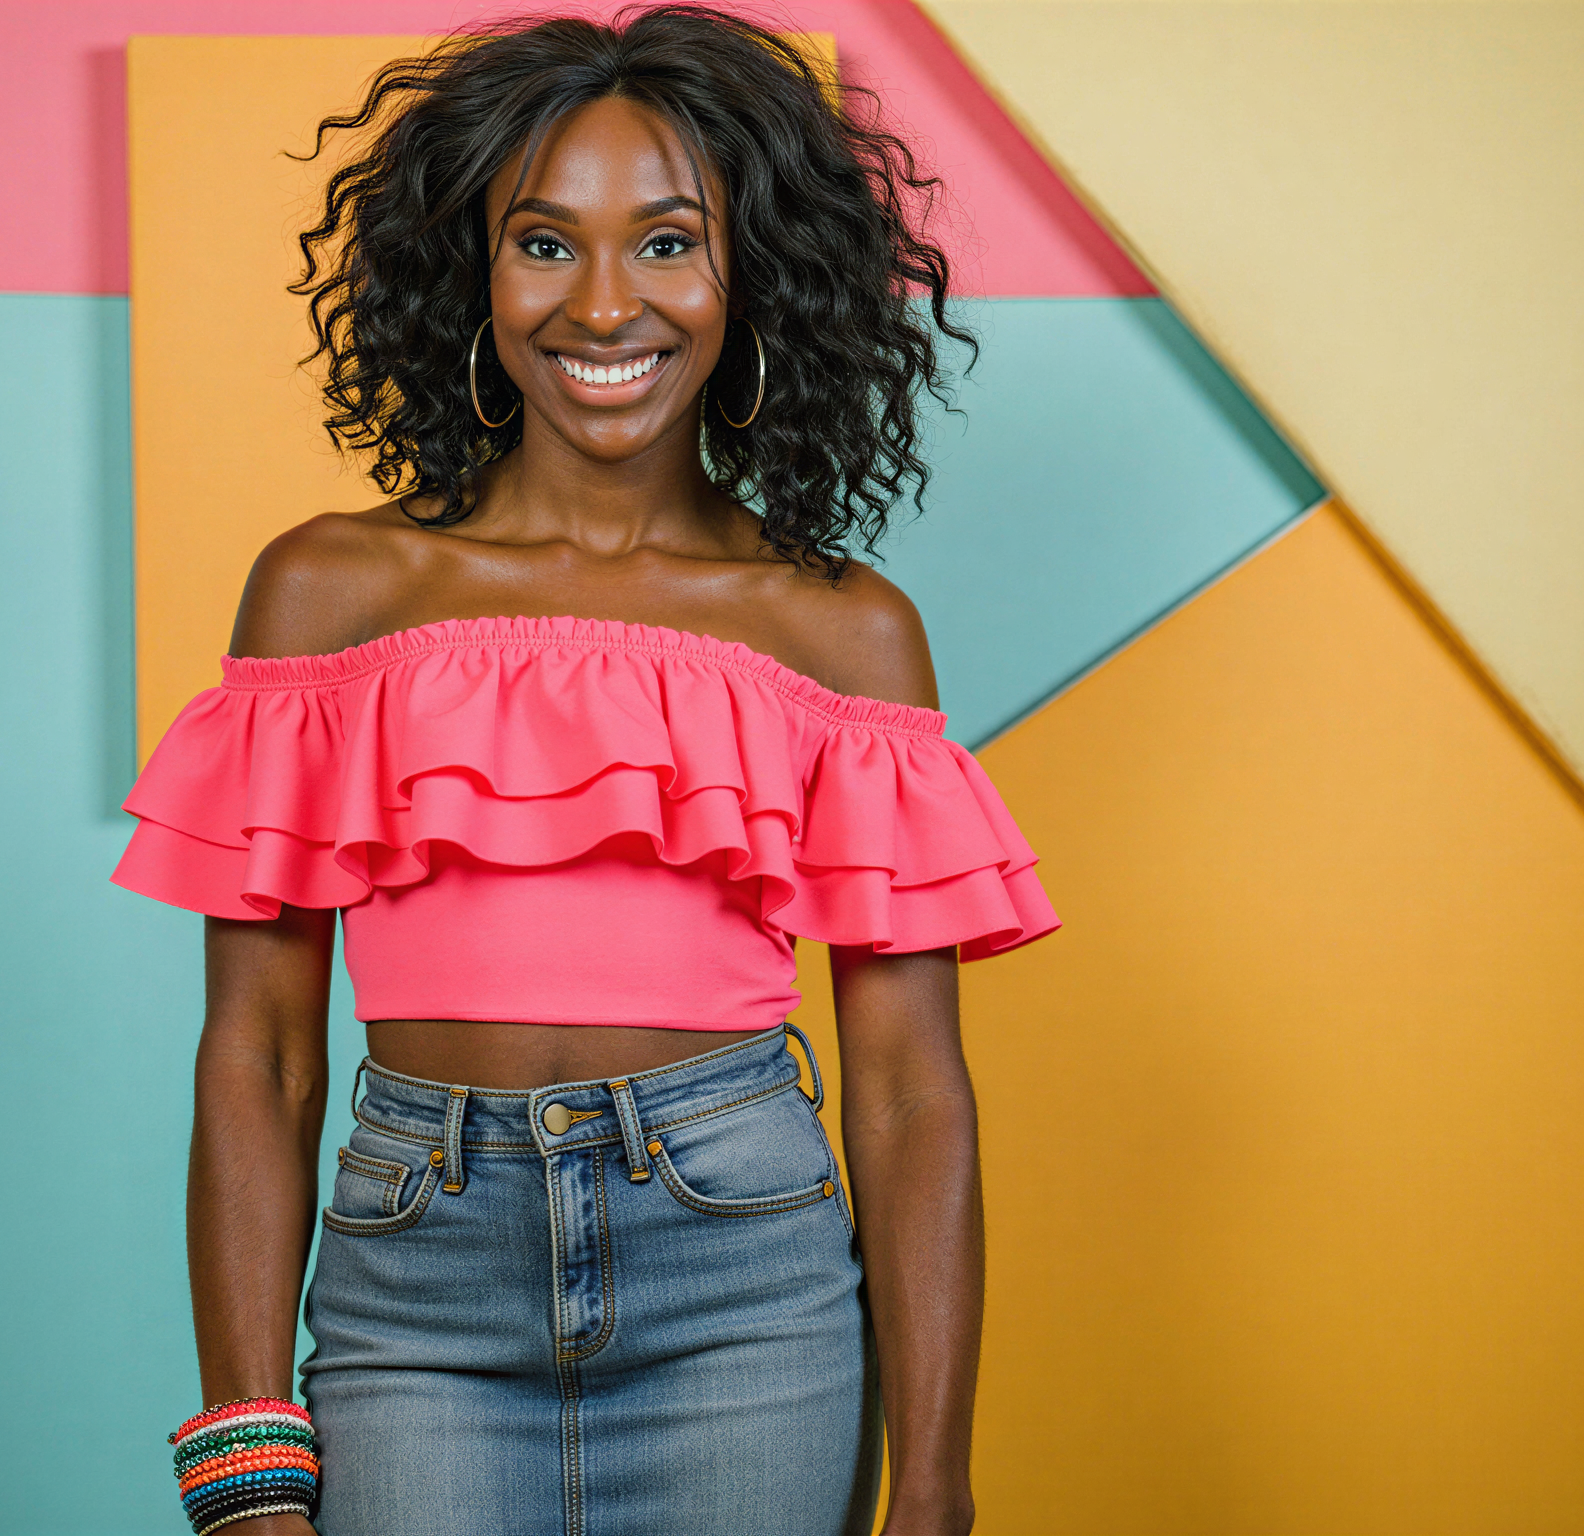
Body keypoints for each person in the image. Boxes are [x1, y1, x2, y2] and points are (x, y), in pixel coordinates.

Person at [113, 8, 1058, 1534]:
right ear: (468, 274)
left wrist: (936, 1485)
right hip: (416, 1297)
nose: (605, 303)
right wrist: (245, 1456)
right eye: (544, 244)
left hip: (746, 1292)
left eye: (669, 243)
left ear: (755, 274)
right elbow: (262, 1054)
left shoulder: (842, 632)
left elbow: (906, 1094)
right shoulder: (330, 594)